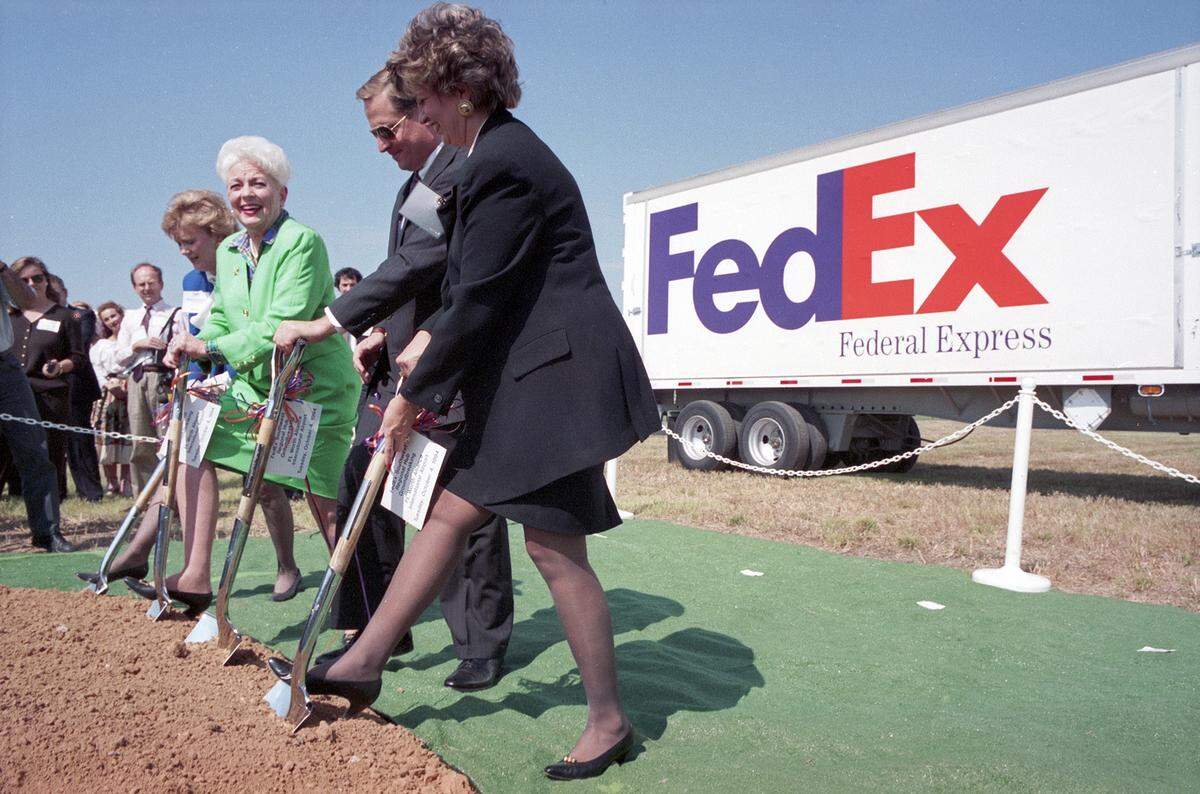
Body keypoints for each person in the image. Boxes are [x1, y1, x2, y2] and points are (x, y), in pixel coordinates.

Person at [300, 5, 660, 781]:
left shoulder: (502, 162)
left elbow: (480, 301)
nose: (417, 110)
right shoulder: (489, 157)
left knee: (554, 549)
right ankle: (364, 661)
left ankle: (609, 721)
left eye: (424, 94)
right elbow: (469, 285)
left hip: (560, 381)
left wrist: (410, 396)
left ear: (462, 89)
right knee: (452, 511)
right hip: (534, 374)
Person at [273, 67, 514, 689]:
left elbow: (425, 262)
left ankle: (480, 645)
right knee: (361, 476)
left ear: (423, 112)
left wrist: (330, 320)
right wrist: (383, 332)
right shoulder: (419, 181)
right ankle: (377, 622)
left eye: (387, 130)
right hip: (405, 362)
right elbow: (413, 273)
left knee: (459, 504)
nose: (380, 145)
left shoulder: (455, 171)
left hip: (454, 367)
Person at [124, 136, 358, 612]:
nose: (247, 193)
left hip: (312, 392)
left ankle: (362, 613)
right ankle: (194, 574)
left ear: (282, 194)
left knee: (327, 506)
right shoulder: (230, 249)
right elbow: (227, 319)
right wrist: (193, 343)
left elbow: (280, 325)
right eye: (237, 185)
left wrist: (209, 344)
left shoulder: (303, 242)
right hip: (256, 391)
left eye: (259, 183)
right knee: (193, 433)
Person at [0, 257, 73, 551]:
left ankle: (47, 532)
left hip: (5, 367)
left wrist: (4, 271)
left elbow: (27, 301)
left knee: (34, 448)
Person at [7, 258, 86, 502]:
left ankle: (54, 505)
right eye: (24, 280)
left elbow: (79, 358)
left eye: (37, 278)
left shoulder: (67, 316)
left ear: (46, 279)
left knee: (51, 452)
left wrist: (60, 367)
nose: (32, 283)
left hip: (50, 394)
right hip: (13, 394)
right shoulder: (10, 316)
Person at [112, 263, 177, 493]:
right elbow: (118, 358)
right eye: (141, 284)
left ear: (161, 283)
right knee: (140, 441)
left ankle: (171, 498)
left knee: (167, 439)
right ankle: (146, 498)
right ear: (134, 287)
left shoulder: (174, 313)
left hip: (163, 379)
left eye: (151, 282)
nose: (147, 288)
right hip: (137, 379)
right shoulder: (130, 318)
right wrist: (137, 345)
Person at [52, 279, 105, 503]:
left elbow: (79, 343)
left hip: (76, 388)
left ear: (65, 291)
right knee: (55, 441)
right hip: (51, 387)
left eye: (55, 292)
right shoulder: (45, 316)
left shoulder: (78, 315)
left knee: (79, 441)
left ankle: (90, 492)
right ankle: (58, 491)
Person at [89, 301, 133, 496]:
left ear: (121, 314)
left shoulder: (131, 340)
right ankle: (111, 482)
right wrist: (108, 386)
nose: (111, 321)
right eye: (106, 319)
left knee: (128, 438)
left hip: (130, 389)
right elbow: (97, 370)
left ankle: (126, 481)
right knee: (107, 439)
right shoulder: (101, 345)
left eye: (113, 316)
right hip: (108, 394)